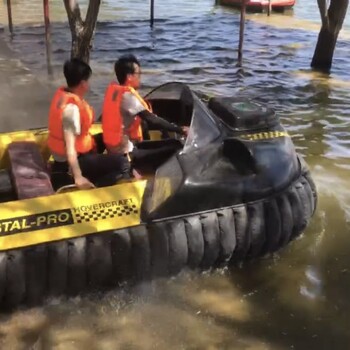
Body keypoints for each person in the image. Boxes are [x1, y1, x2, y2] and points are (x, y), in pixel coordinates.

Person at [47, 58, 130, 189]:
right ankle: (97, 188)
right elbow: (70, 148)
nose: (89, 84)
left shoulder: (65, 95)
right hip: (72, 162)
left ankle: (104, 166)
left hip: (81, 151)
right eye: (88, 80)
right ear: (82, 83)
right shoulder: (71, 110)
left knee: (108, 138)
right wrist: (78, 176)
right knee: (123, 164)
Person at [101, 54, 188, 174]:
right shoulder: (127, 97)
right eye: (139, 74)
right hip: (127, 154)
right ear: (130, 76)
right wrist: (180, 129)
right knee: (177, 147)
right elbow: (151, 119)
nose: (140, 78)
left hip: (118, 149)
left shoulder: (115, 92)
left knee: (173, 142)